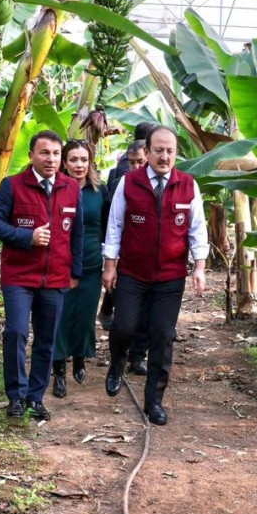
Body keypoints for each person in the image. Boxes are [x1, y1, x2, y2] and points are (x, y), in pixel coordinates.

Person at [102, 125, 208, 425]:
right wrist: (110, 264)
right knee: (123, 327)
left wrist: (199, 266)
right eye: (158, 150)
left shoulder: (188, 185)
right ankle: (117, 364)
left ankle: (155, 401)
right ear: (146, 152)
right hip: (133, 272)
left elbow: (197, 228)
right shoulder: (129, 182)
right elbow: (115, 225)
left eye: (170, 151)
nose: (164, 156)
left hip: (170, 275)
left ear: (176, 154)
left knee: (163, 336)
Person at [0, 130, 84, 422]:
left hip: (55, 278)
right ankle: (15, 396)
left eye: (55, 153)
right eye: (44, 153)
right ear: (31, 156)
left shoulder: (71, 188)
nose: (51, 159)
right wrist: (28, 236)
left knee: (47, 339)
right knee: (16, 332)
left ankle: (35, 398)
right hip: (19, 276)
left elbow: (76, 234)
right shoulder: (13, 186)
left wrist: (75, 272)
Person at [51, 140, 107, 398]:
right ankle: (59, 370)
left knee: (85, 316)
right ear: (64, 162)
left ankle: (80, 359)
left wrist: (111, 263)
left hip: (92, 263)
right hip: (61, 263)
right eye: (73, 159)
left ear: (90, 162)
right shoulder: (56, 189)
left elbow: (108, 228)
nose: (79, 165)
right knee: (60, 316)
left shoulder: (99, 191)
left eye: (84, 160)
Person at [100, 137, 150, 373]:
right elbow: (113, 222)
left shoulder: (166, 182)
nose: (136, 167)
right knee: (127, 311)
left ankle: (138, 355)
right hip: (125, 256)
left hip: (152, 259)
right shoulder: (122, 182)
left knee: (148, 311)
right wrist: (111, 259)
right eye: (132, 162)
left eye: (140, 161)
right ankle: (120, 355)